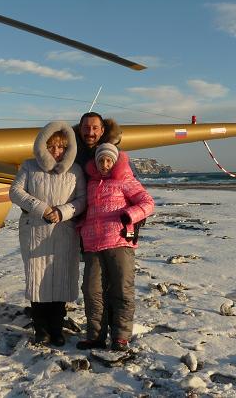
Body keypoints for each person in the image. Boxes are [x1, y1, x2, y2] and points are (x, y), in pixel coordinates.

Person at [9, 121, 86, 346]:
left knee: (61, 278)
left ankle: (56, 327)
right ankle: (41, 329)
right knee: (37, 279)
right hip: (35, 231)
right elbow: (15, 192)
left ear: (68, 148)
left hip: (63, 232)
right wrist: (40, 208)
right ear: (42, 146)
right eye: (51, 146)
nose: (56, 151)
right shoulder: (29, 166)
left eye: (61, 147)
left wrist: (62, 212)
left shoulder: (75, 170)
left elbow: (83, 199)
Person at [77, 143, 154, 351]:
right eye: (100, 161)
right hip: (92, 245)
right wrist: (80, 228)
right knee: (92, 291)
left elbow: (148, 203)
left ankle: (120, 337)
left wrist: (130, 215)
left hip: (119, 242)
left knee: (122, 289)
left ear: (114, 161)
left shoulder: (125, 179)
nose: (104, 164)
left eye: (108, 160)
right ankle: (95, 336)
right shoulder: (91, 183)